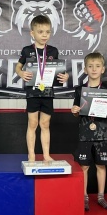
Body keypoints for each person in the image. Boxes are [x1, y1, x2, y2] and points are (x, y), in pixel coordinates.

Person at [71, 52, 107, 211]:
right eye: (90, 66)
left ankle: (101, 197)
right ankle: (84, 197)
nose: (94, 69)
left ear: (103, 69)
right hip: (85, 134)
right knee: (84, 167)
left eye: (97, 66)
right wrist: (74, 111)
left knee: (101, 165)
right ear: (85, 69)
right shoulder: (80, 90)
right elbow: (76, 112)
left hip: (103, 134)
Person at [15, 15, 69, 162]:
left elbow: (60, 71)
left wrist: (66, 76)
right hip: (32, 92)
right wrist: (21, 73)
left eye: (47, 32)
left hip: (48, 93)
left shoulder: (53, 51)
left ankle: (46, 155)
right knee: (32, 123)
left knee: (45, 124)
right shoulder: (27, 50)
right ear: (32, 33)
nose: (44, 35)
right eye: (40, 32)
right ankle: (31, 155)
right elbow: (18, 67)